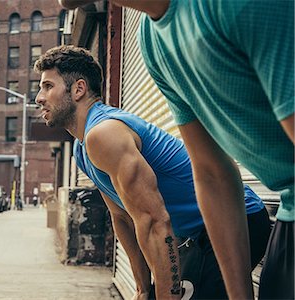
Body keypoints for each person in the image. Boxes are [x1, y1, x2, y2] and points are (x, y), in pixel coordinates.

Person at [58, 1, 294, 299]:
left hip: (240, 220)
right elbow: (212, 173)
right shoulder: (153, 38)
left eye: (46, 87)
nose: (38, 98)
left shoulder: (233, 6)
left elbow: (154, 218)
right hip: (274, 214)